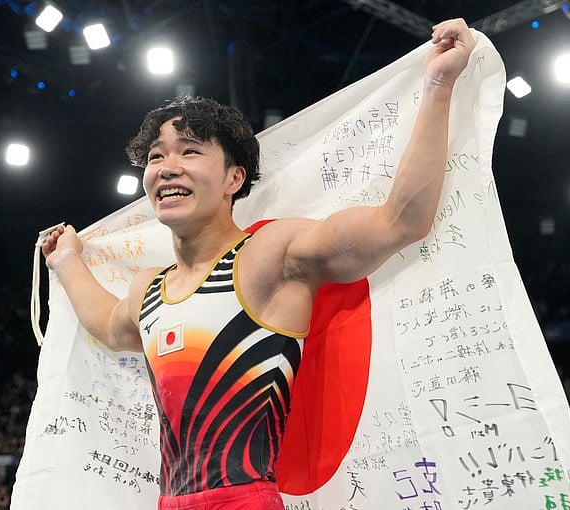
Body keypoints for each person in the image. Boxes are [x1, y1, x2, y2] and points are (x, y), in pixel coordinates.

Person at [42, 18, 475, 510]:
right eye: (156, 157)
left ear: (234, 178)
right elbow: (108, 324)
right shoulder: (149, 290)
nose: (167, 167)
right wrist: (68, 260)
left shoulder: (270, 255)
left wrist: (439, 86)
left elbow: (401, 221)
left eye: (190, 151)